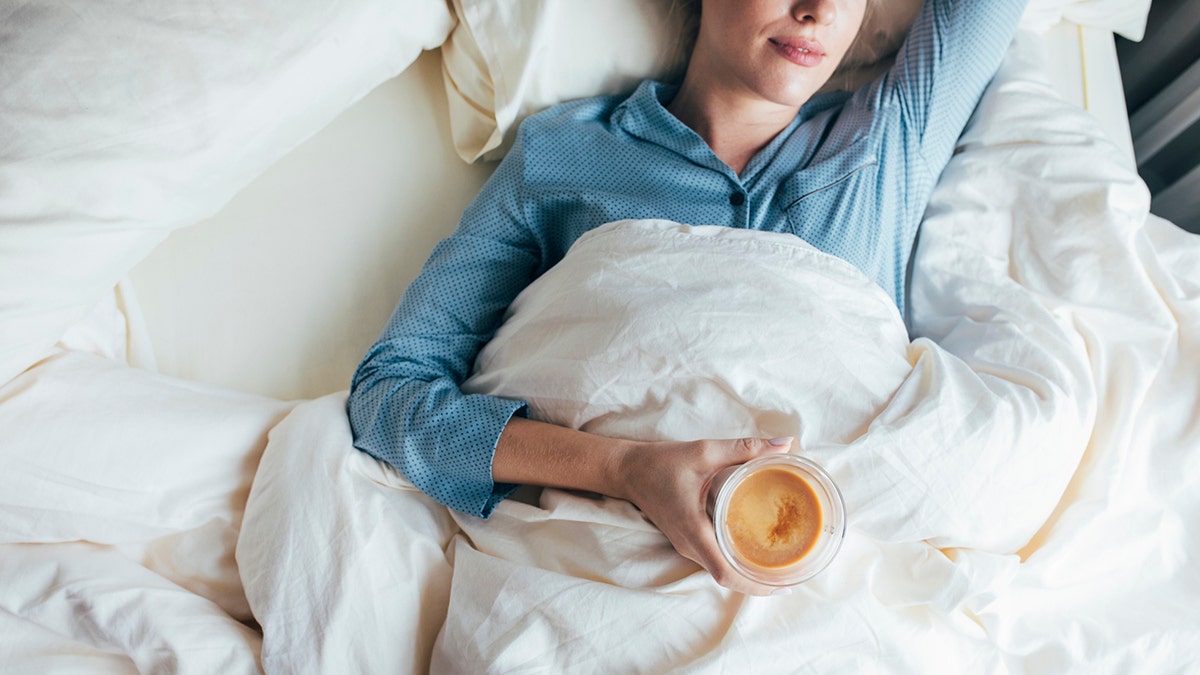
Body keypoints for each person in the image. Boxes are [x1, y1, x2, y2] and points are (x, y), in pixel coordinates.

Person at [348, 0, 1028, 596]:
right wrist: (624, 467)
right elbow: (390, 394)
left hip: (827, 582)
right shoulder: (563, 155)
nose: (819, 8)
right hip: (593, 576)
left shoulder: (888, 139)